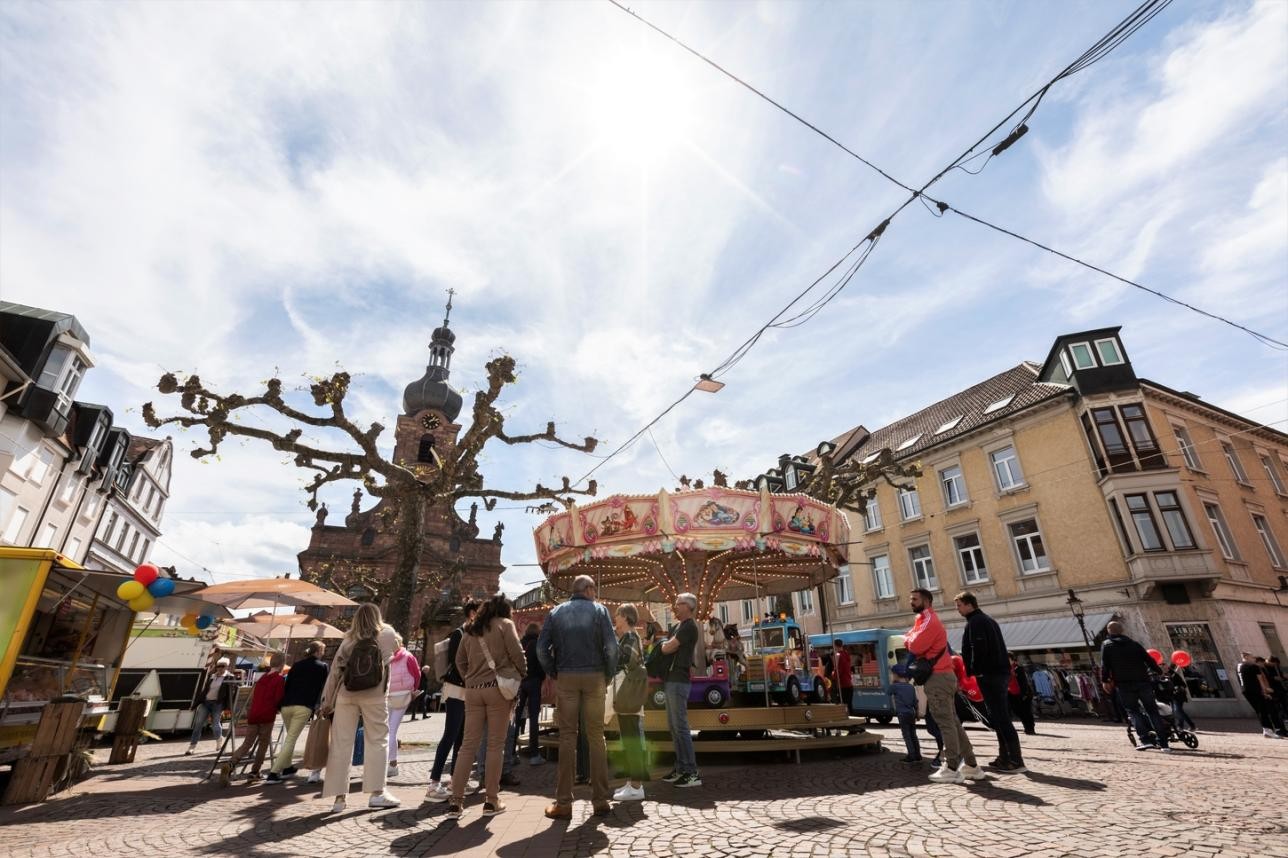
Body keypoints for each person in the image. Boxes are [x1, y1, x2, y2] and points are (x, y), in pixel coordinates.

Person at [536, 575, 618, 820]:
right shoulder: (600, 611)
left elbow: (541, 648)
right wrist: (608, 674)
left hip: (567, 677)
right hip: (595, 676)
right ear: (589, 589)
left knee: (567, 737)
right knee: (596, 736)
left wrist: (554, 671)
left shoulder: (556, 612)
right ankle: (601, 800)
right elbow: (612, 648)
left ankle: (563, 803)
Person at [443, 593, 527, 819]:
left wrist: (470, 679)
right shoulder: (505, 625)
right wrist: (520, 673)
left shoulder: (471, 629)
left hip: (473, 691)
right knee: (495, 745)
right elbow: (518, 654)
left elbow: (459, 661)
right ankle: (491, 800)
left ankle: (455, 801)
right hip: (498, 690)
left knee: (468, 745)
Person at [319, 602, 401, 812]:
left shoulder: (348, 639)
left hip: (346, 694)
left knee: (341, 744)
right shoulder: (387, 633)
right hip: (375, 695)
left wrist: (326, 701)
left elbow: (335, 672)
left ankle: (339, 799)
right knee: (377, 741)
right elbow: (396, 648)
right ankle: (377, 793)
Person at [906, 588, 981, 784]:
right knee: (953, 722)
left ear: (926, 601)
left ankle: (951, 766)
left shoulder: (929, 620)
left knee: (945, 723)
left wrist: (910, 639)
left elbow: (913, 646)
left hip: (938, 677)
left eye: (915, 599)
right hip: (942, 676)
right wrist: (910, 638)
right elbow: (910, 638)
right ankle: (971, 765)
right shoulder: (921, 620)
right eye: (911, 599)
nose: (911, 602)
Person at [956, 591, 1025, 773]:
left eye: (959, 605)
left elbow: (978, 648)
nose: (958, 609)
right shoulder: (986, 620)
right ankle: (1005, 757)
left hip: (990, 674)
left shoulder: (976, 622)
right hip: (996, 673)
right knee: (998, 717)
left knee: (1001, 717)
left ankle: (1015, 760)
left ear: (969, 604)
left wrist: (975, 670)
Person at [426, 600, 479, 801]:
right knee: (450, 735)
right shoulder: (459, 633)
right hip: (457, 690)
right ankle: (434, 783)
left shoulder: (472, 634)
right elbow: (458, 664)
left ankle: (456, 780)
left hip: (466, 691)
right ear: (472, 613)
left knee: (461, 738)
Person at [1100, 622, 1171, 751]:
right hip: (1143, 681)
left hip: (1124, 683)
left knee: (1133, 711)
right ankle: (1164, 743)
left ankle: (1145, 740)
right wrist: (1159, 671)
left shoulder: (1107, 645)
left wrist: (1105, 680)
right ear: (1122, 630)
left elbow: (1105, 665)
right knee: (1152, 711)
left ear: (1109, 631)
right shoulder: (1134, 644)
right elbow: (1149, 660)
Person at [267, 640, 330, 784]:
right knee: (291, 739)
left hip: (287, 705)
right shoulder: (322, 667)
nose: (323, 653)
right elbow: (325, 688)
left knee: (290, 738)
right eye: (322, 651)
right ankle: (273, 773)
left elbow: (287, 685)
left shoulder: (296, 665)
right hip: (304, 706)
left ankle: (287, 768)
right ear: (318, 652)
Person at [219, 652, 286, 785]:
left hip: (254, 714)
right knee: (263, 744)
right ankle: (254, 772)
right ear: (282, 664)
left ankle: (231, 763)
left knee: (247, 743)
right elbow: (278, 699)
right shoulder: (279, 679)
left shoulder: (261, 678)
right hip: (267, 715)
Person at [659, 592, 702, 788]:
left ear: (688, 606)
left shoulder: (689, 626)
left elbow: (668, 648)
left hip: (679, 680)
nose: (675, 606)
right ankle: (682, 767)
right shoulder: (679, 626)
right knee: (674, 726)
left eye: (678, 603)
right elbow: (668, 645)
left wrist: (662, 646)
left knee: (681, 726)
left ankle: (691, 772)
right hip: (672, 679)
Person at [613, 603, 647, 801]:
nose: (615, 618)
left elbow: (625, 660)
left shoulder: (631, 637)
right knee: (628, 737)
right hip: (628, 691)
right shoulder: (629, 637)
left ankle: (636, 786)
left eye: (617, 615)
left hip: (628, 691)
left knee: (631, 738)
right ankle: (631, 783)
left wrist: (611, 649)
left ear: (625, 616)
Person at [385, 636, 420, 777]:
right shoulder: (390, 656)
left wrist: (412, 691)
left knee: (390, 731)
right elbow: (417, 675)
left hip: (396, 696)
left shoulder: (403, 657)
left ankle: (392, 764)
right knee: (388, 730)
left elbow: (417, 675)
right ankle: (390, 763)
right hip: (394, 696)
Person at [186, 656, 236, 755]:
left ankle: (219, 740)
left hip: (217, 704)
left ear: (227, 666)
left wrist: (229, 707)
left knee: (215, 724)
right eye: (218, 666)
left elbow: (231, 693)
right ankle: (192, 747)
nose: (220, 668)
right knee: (198, 724)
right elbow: (205, 691)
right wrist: (195, 705)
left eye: (222, 666)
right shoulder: (212, 676)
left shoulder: (229, 677)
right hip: (206, 702)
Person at [515, 621, 546, 765]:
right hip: (534, 681)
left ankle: (511, 752)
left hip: (521, 682)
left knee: (516, 717)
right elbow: (541, 664)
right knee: (534, 718)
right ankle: (534, 754)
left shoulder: (521, 643)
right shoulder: (537, 644)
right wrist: (542, 677)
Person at [1237, 652, 1285, 738]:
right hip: (1255, 690)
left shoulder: (1239, 666)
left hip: (1245, 691)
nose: (1254, 659)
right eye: (1252, 657)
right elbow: (1260, 680)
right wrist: (1265, 691)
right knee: (1263, 711)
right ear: (1246, 657)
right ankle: (1268, 730)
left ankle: (1266, 729)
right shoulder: (1253, 666)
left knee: (1259, 711)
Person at [890, 664, 921, 763]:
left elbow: (887, 692)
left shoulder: (895, 686)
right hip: (911, 713)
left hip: (902, 714)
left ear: (896, 675)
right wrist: (917, 714)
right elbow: (915, 702)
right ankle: (918, 755)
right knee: (913, 735)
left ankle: (911, 756)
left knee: (907, 735)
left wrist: (892, 682)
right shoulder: (911, 687)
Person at [1007, 652, 1036, 736]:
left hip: (1023, 694)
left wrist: (1024, 694)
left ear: (1013, 660)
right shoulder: (1005, 669)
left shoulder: (1018, 668)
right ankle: (1027, 727)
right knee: (1017, 711)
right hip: (1012, 694)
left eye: (1008, 659)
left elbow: (1024, 682)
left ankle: (1030, 728)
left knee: (1026, 712)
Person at [1166, 664, 1196, 732]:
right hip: (1174, 696)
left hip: (1178, 696)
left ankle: (1191, 725)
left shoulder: (1174, 675)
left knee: (1178, 711)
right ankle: (1181, 726)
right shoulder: (1168, 676)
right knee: (1179, 711)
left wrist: (1176, 687)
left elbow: (1184, 685)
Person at [833, 640, 854, 711]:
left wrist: (834, 676)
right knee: (849, 705)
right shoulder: (846, 654)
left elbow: (838, 670)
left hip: (842, 685)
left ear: (835, 646)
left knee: (843, 706)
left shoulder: (838, 655)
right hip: (849, 683)